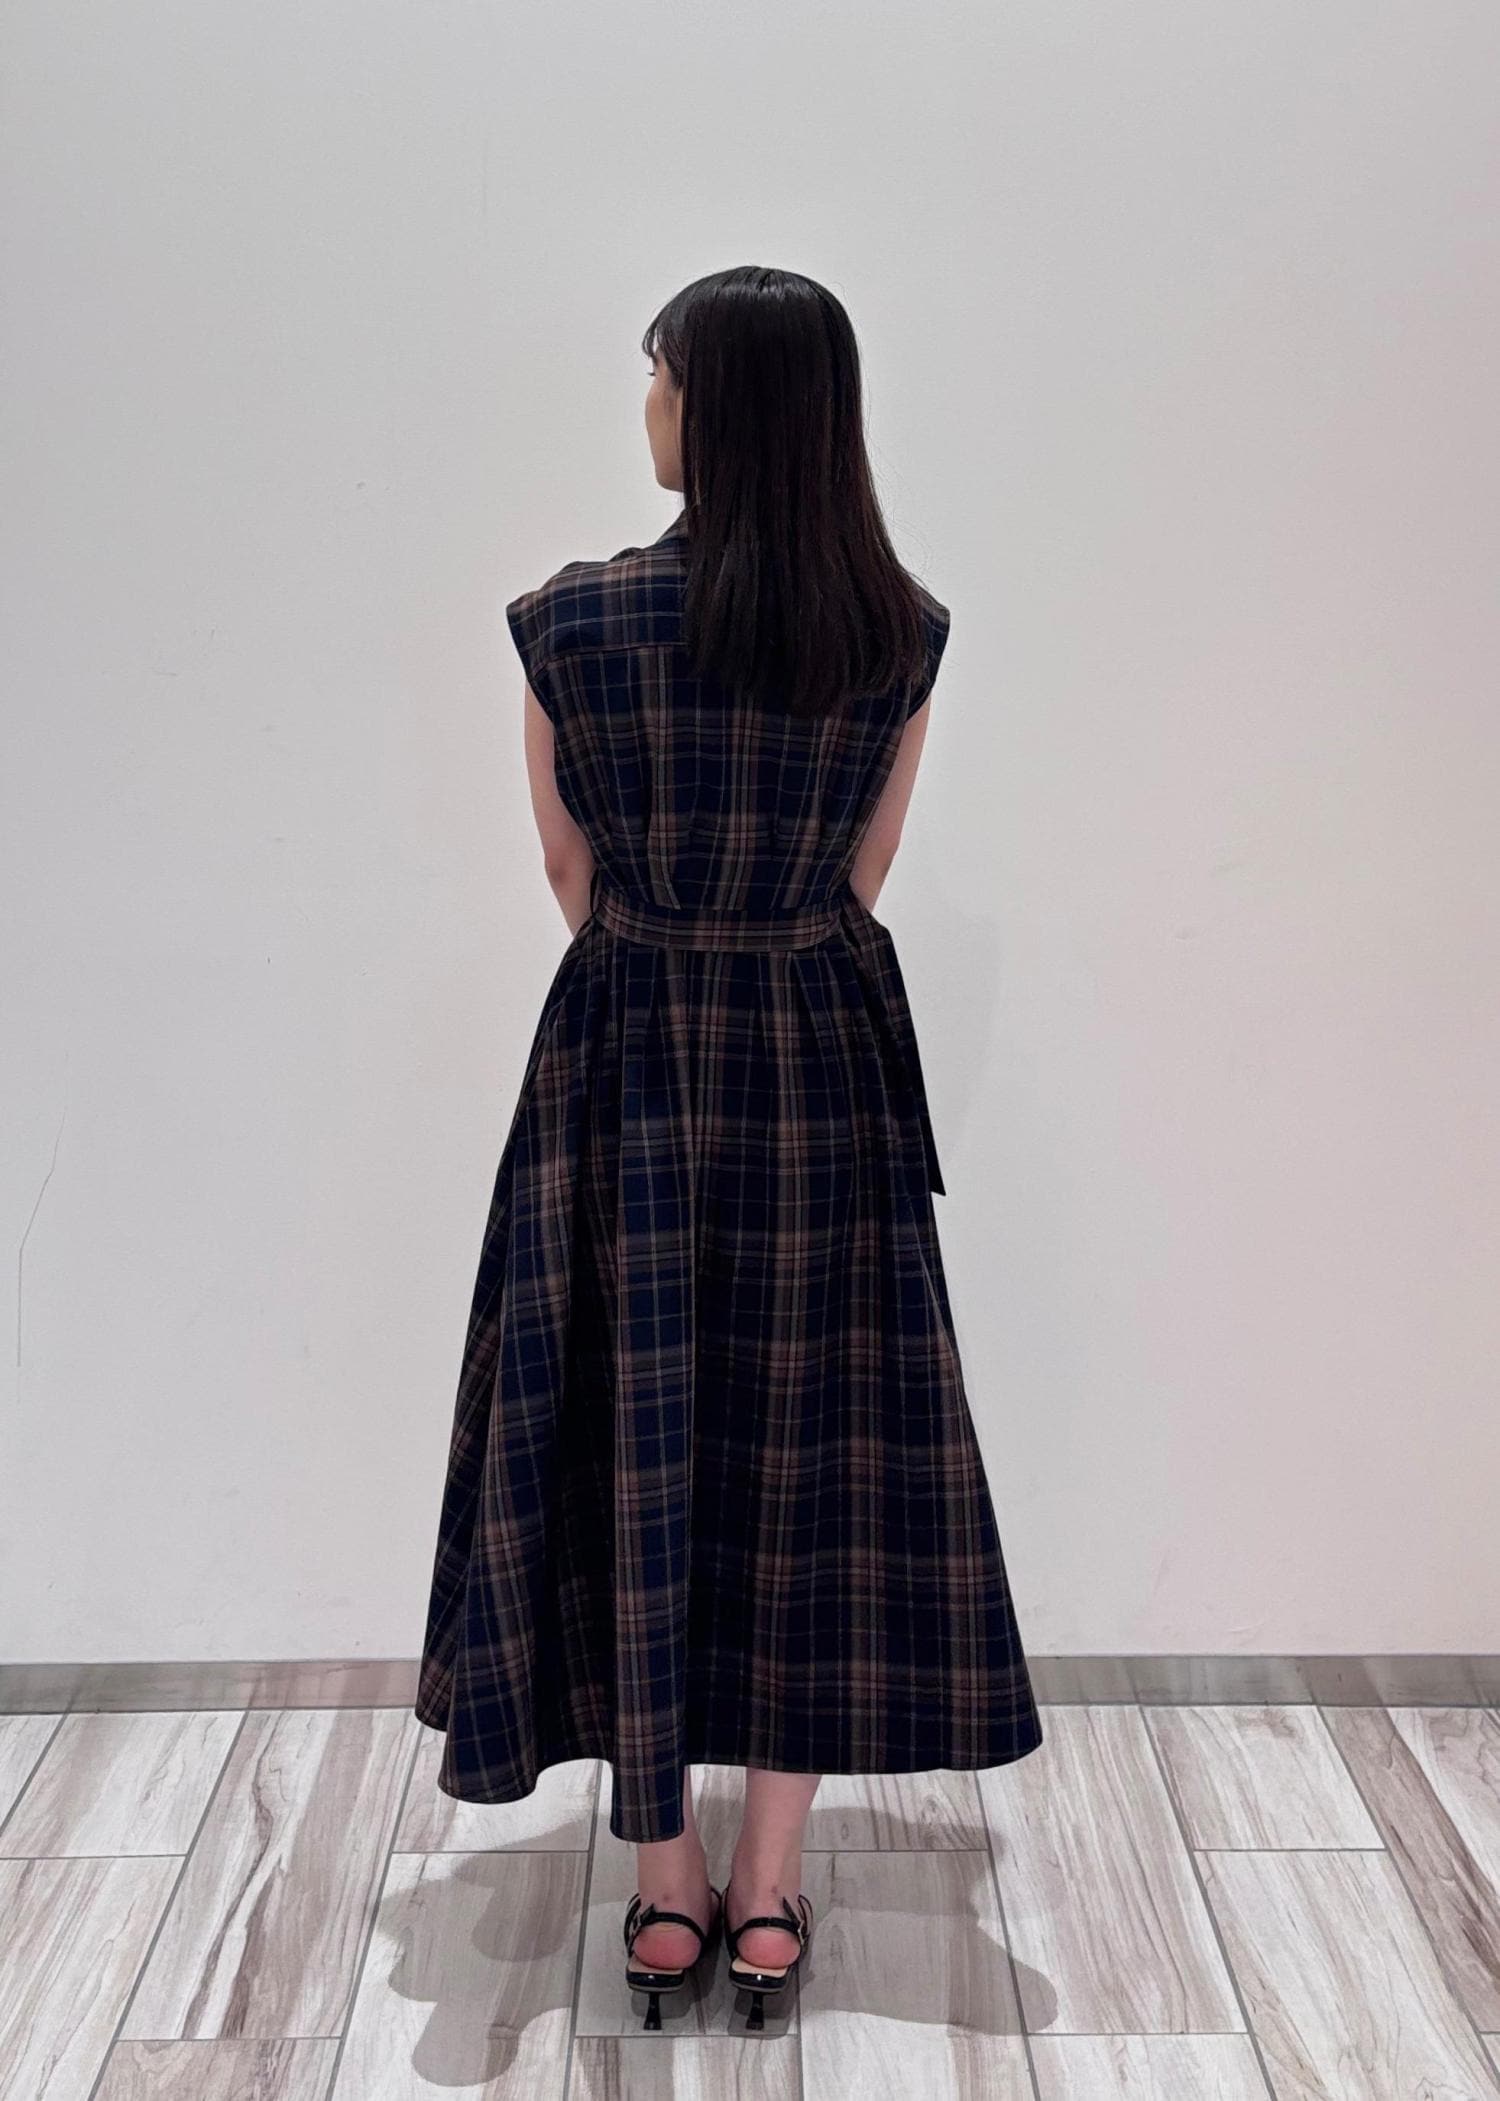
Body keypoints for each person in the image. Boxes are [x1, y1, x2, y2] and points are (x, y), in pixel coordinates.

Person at [413, 264, 1043, 2028]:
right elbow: (864, 874)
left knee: (626, 1432)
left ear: (713, 404)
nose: (648, 403)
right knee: (809, 1465)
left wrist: (663, 959)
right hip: (816, 1066)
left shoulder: (571, 621)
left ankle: (666, 1886)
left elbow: (568, 873)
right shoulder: (896, 633)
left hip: (623, 1060)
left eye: (661, 374)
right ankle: (771, 1890)